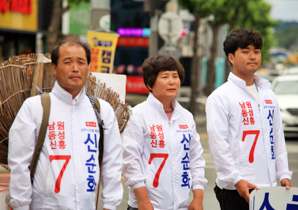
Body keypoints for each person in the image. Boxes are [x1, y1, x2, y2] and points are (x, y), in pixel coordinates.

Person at [8, 40, 123, 210]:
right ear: (54, 68)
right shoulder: (35, 107)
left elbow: (112, 162)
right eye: (67, 62)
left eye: (81, 62)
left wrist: (110, 205)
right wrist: (21, 205)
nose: (75, 68)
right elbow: (19, 163)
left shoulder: (102, 110)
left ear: (88, 67)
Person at [206, 28, 293, 210]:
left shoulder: (269, 95)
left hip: (268, 188)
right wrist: (236, 180)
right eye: (245, 52)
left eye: (256, 51)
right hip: (236, 189)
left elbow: (277, 137)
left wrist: (283, 174)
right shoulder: (220, 97)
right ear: (231, 58)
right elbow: (218, 144)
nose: (252, 56)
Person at [122, 55, 207, 210]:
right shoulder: (137, 115)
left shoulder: (186, 117)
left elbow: (196, 159)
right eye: (165, 76)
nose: (172, 81)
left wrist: (198, 197)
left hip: (182, 205)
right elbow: (130, 160)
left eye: (175, 76)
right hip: (147, 206)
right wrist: (143, 200)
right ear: (150, 83)